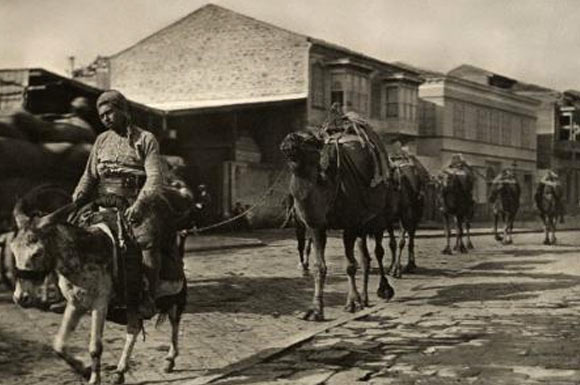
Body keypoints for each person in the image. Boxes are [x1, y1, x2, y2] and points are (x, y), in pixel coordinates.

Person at [72, 89, 165, 318]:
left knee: (146, 241)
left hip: (134, 201)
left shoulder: (145, 139)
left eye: (110, 113)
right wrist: (79, 194)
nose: (105, 118)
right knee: (74, 235)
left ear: (123, 111)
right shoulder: (101, 141)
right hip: (104, 202)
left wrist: (140, 205)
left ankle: (147, 297)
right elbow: (90, 175)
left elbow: (154, 177)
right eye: (102, 115)